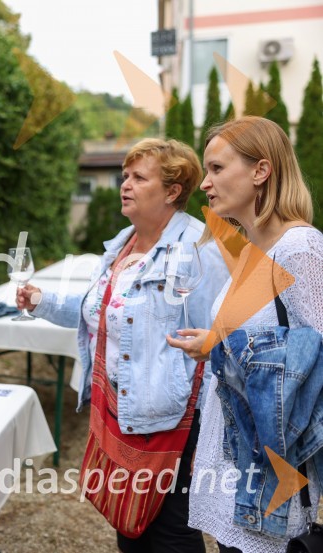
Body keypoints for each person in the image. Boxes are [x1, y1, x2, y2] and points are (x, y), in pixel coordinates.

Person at [17, 138, 227, 552]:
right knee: (128, 522)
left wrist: (208, 434)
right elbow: (100, 311)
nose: (124, 185)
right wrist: (43, 303)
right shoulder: (121, 245)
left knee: (171, 534)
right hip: (119, 412)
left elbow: (221, 336)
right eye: (124, 176)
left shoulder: (200, 249)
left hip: (173, 423)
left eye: (138, 177)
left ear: (172, 191)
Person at [168, 116, 323, 552]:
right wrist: (215, 345)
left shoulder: (300, 249)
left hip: (273, 484)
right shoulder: (259, 253)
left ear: (261, 170)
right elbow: (275, 342)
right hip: (239, 472)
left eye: (217, 168)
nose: (205, 183)